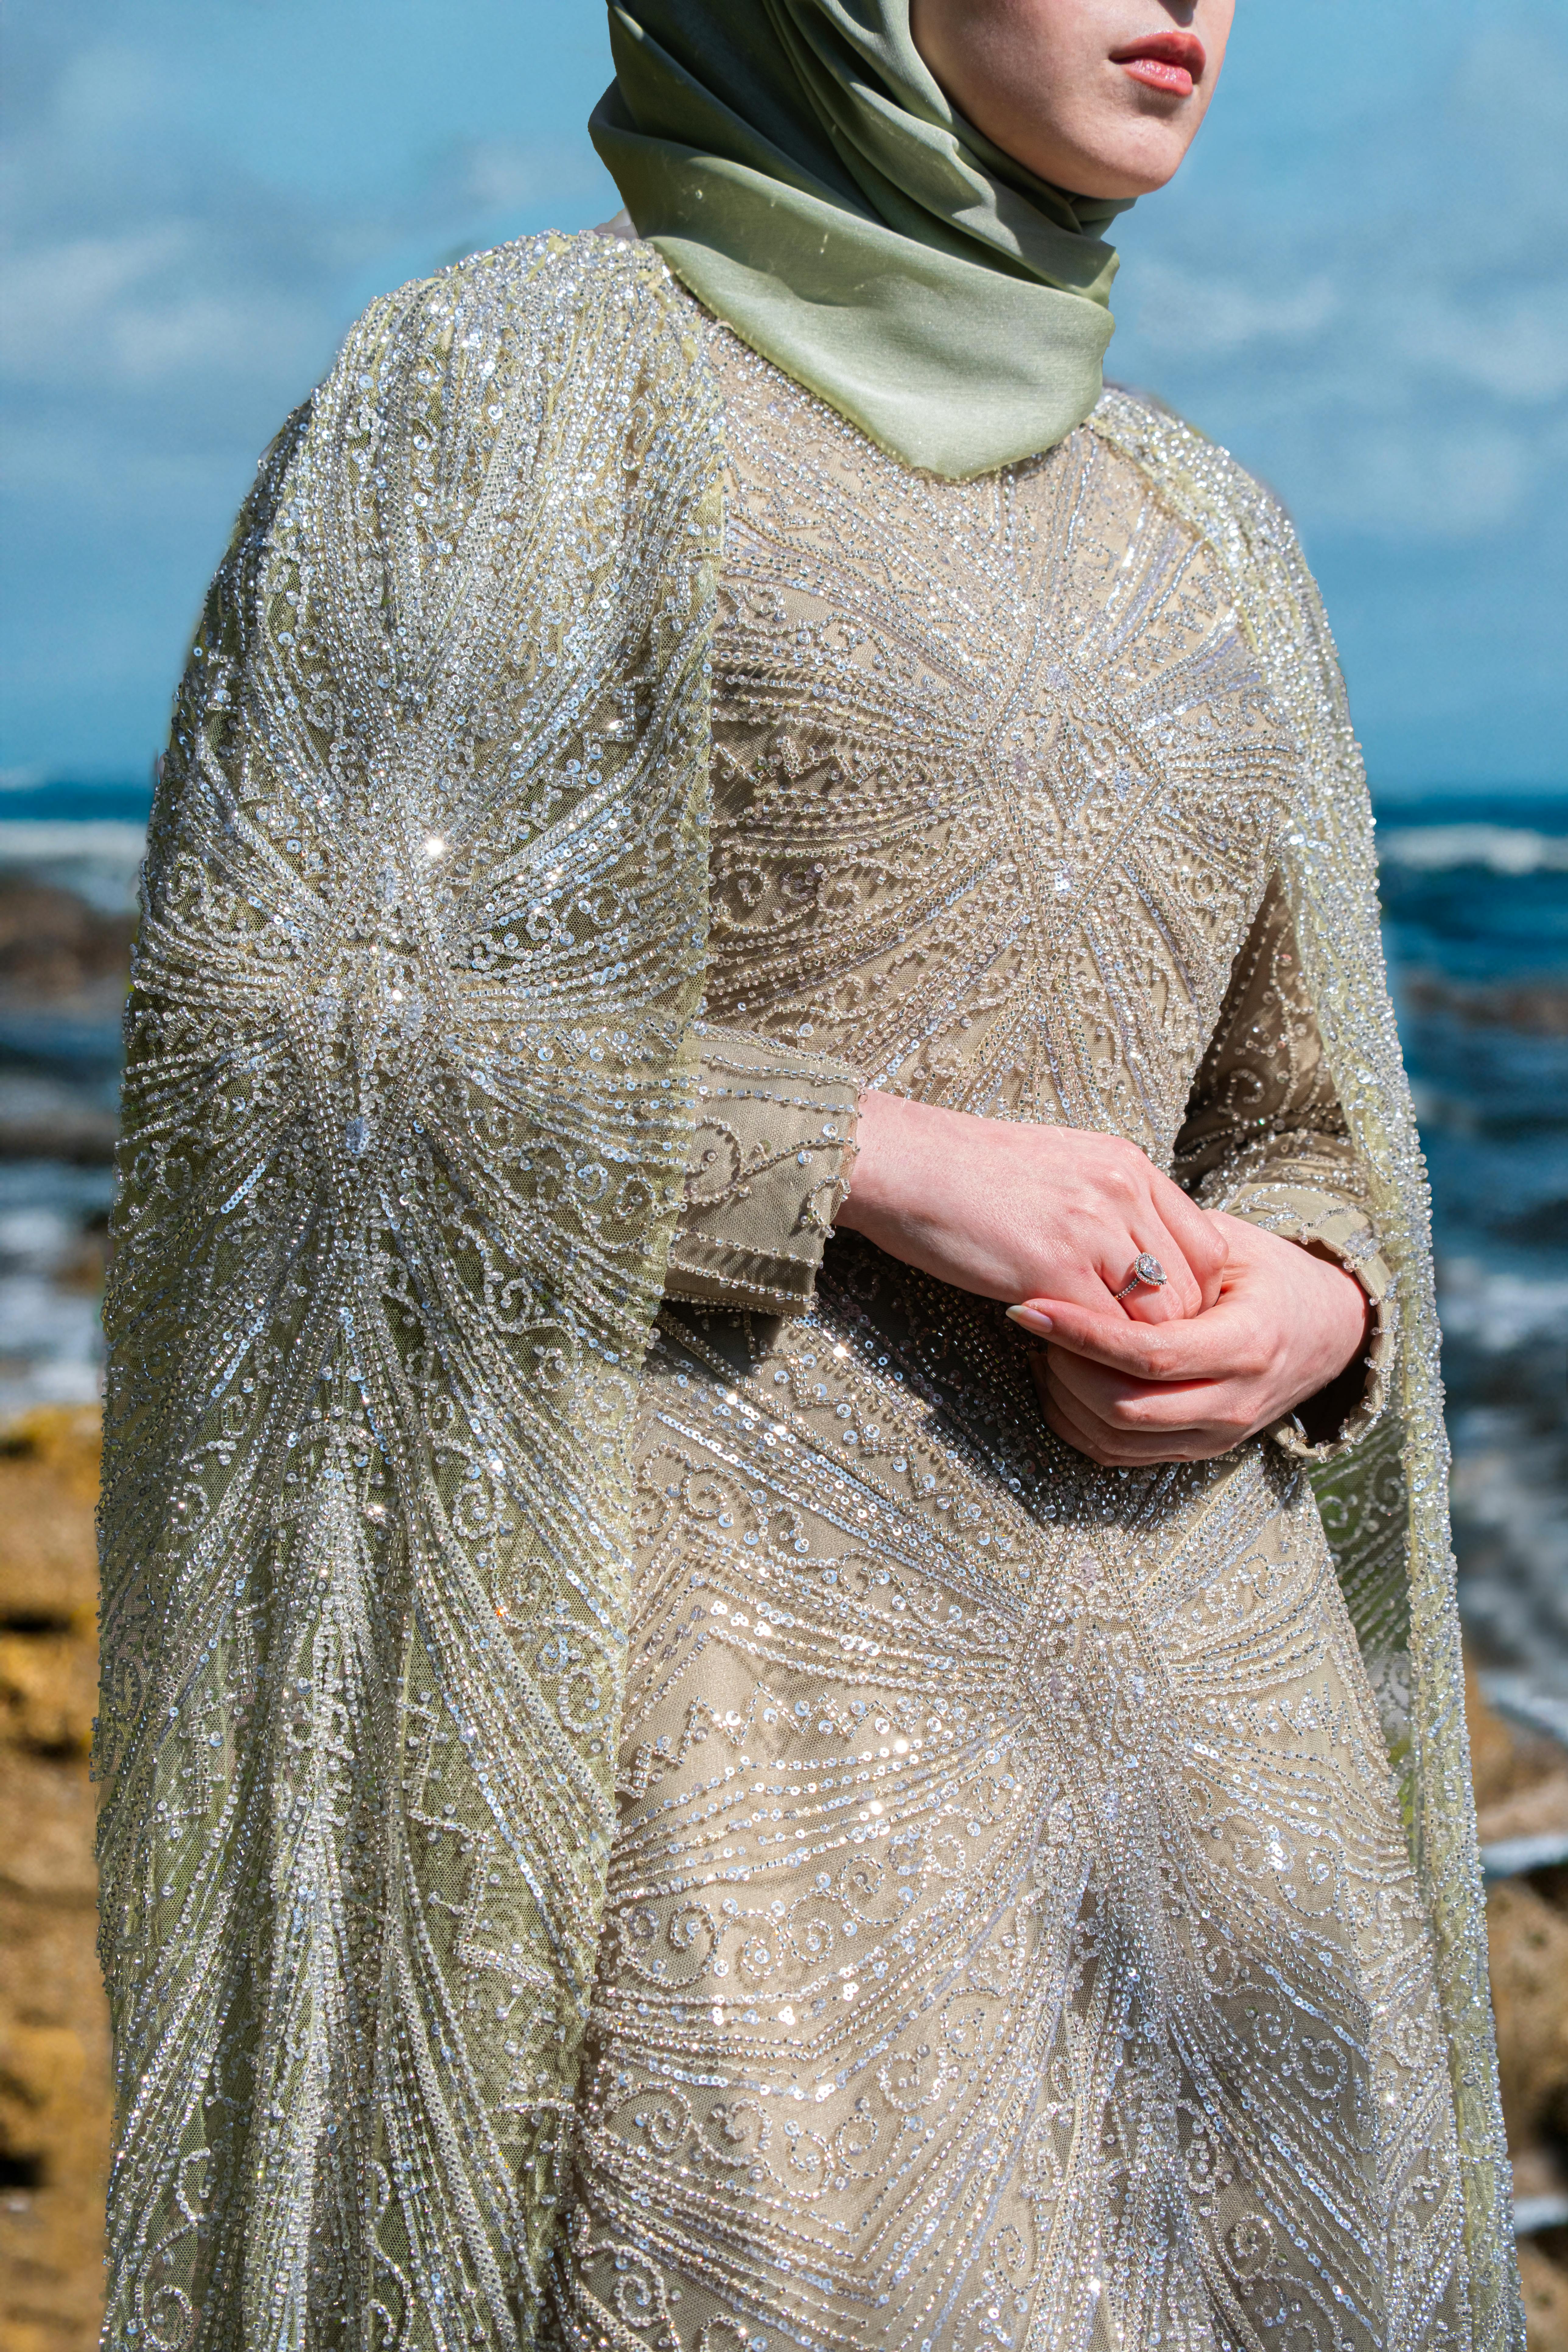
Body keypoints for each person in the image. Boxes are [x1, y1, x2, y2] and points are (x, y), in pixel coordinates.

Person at [95, 3, 1523, 2346]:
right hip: (738, 1749)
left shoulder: (1207, 519)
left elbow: (1301, 1125)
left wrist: (1318, 1304)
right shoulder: (518, 386)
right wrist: (867, 1156)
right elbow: (277, 1032)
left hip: (1226, 1770)